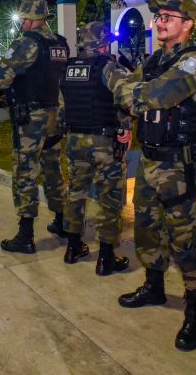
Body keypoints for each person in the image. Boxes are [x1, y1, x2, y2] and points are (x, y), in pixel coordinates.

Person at [103, 0, 196, 351]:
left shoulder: (195, 62)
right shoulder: (156, 60)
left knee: (182, 237)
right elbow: (130, 98)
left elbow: (151, 96)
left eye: (169, 16)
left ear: (188, 24)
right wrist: (128, 99)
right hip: (150, 161)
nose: (160, 21)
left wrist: (117, 80)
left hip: (177, 164)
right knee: (147, 227)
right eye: (158, 16)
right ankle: (154, 287)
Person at [0, 0, 69, 254]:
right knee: (53, 168)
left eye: (24, 19)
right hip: (56, 116)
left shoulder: (26, 42)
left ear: (31, 19)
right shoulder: (60, 43)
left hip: (32, 117)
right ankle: (62, 222)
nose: (22, 24)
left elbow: (0, 78)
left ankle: (25, 235)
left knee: (25, 171)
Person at [60, 22, 132, 275]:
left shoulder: (68, 68)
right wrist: (126, 126)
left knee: (75, 194)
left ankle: (72, 248)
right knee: (109, 199)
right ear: (103, 43)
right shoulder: (108, 67)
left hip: (74, 141)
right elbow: (126, 99)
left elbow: (63, 106)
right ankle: (106, 258)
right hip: (103, 142)